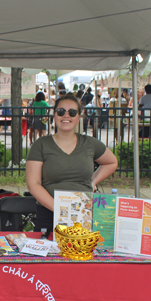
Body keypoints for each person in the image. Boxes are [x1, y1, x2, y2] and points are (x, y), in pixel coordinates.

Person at [26, 93, 118, 234]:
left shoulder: (90, 143)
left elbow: (111, 162)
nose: (66, 116)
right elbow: (33, 184)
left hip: (83, 214)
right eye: (61, 111)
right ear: (55, 115)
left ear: (79, 117)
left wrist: (92, 182)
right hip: (49, 215)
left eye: (72, 112)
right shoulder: (41, 145)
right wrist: (60, 209)